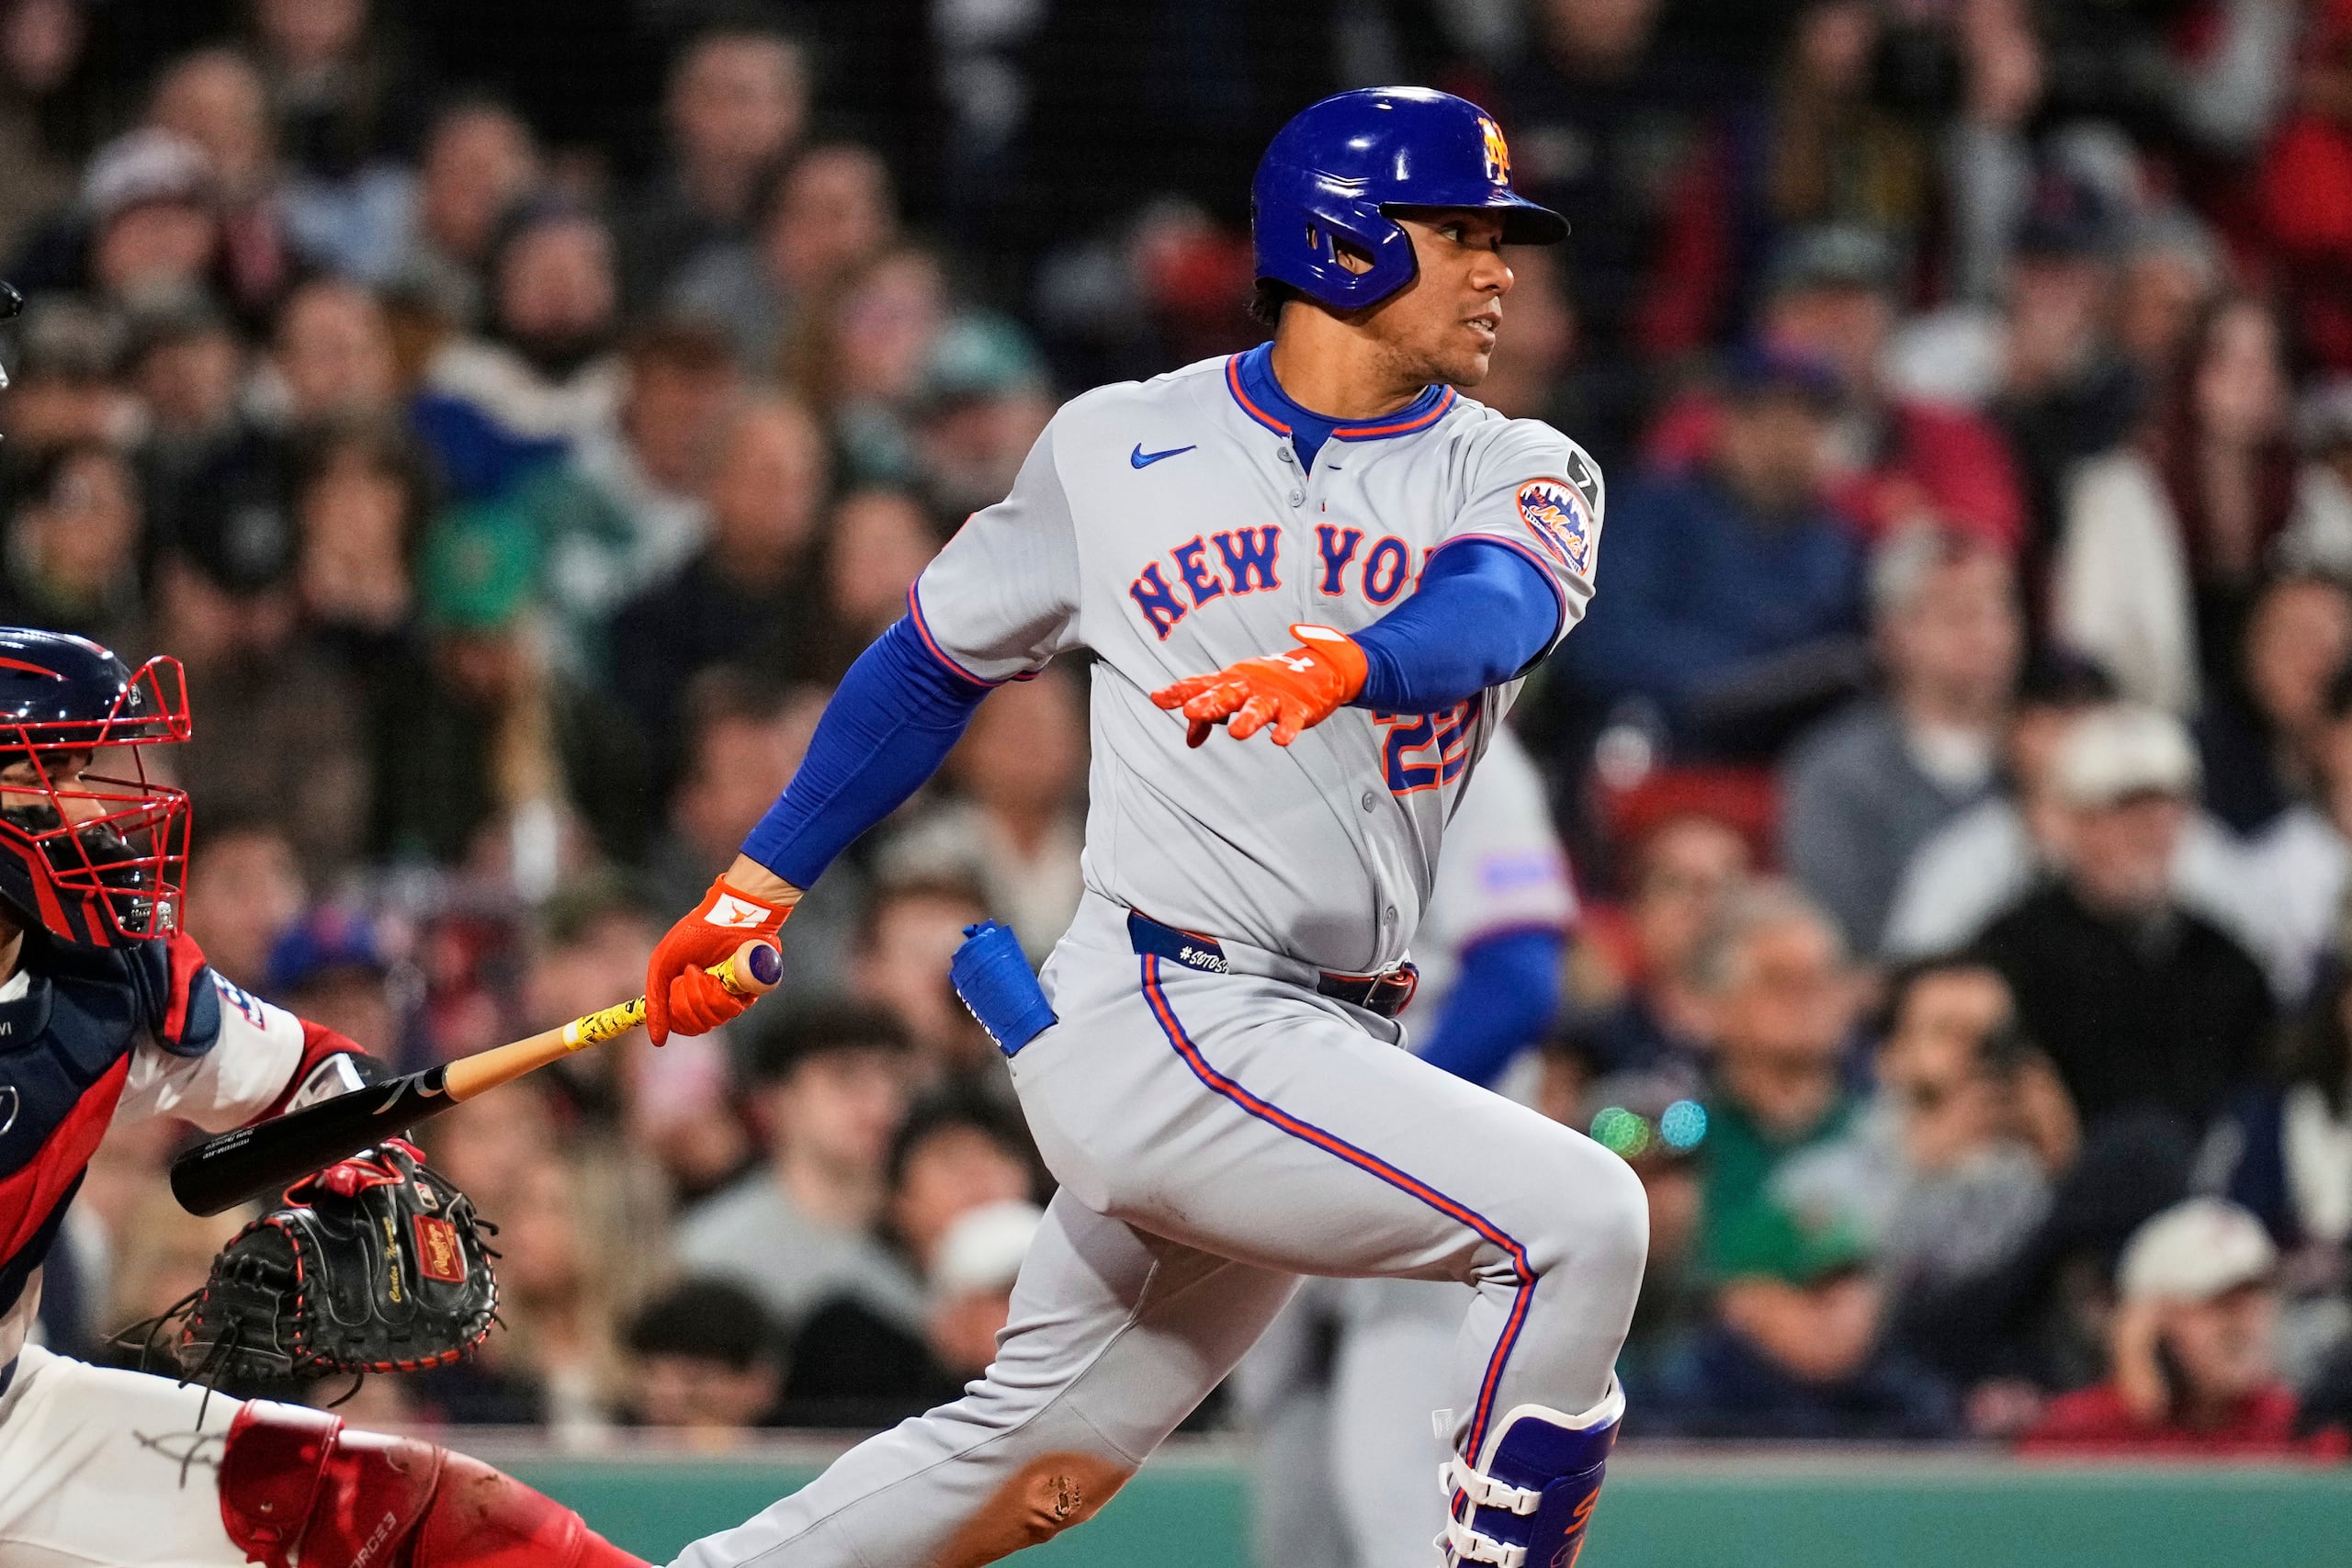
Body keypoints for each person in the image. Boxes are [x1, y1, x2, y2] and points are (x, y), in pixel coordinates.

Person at [644, 89, 1648, 1568]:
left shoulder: (1523, 464)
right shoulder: (1116, 444)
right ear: (1345, 240)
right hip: (1171, 1008)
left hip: (1322, 1035)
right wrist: (751, 887)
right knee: (1586, 1216)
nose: (1501, 268)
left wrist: (1350, 659)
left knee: (1034, 1460)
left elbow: (1493, 610)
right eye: (1459, 234)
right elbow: (930, 659)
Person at [0, 626, 641, 1566]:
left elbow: (311, 1075)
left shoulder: (112, 982)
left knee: (414, 1514)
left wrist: (366, 1168)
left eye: (100, 766)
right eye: (61, 770)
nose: (105, 808)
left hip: (15, 1420)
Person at [1553, 342, 1869, 758]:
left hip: (1792, 764)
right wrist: (1753, 678)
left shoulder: (1838, 546)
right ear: (1724, 422)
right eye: (1762, 417)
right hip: (1670, 749)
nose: (1782, 443)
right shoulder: (1654, 512)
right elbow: (1600, 642)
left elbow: (1852, 665)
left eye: (1803, 421)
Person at [1973, 705, 2274, 1135]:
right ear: (2073, 822)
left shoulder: (2228, 962)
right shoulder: (2012, 952)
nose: (2149, 831)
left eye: (2164, 808)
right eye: (2123, 809)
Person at [1780, 526, 2023, 952]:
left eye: (1998, 610)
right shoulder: (1836, 773)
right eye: (1956, 613)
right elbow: (1836, 936)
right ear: (1893, 634)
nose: (1984, 633)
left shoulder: (2050, 758)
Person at [670, 1003, 922, 1339]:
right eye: (845, 1078)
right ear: (773, 1103)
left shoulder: (926, 1235)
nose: (880, 1103)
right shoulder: (707, 1254)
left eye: (895, 1080)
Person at [2021, 1198, 2348, 1455]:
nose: (2246, 1324)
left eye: (2256, 1298)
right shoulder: (2075, 1436)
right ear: (2147, 1325)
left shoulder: (2298, 1428)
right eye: (2218, 1304)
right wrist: (2140, 1403)